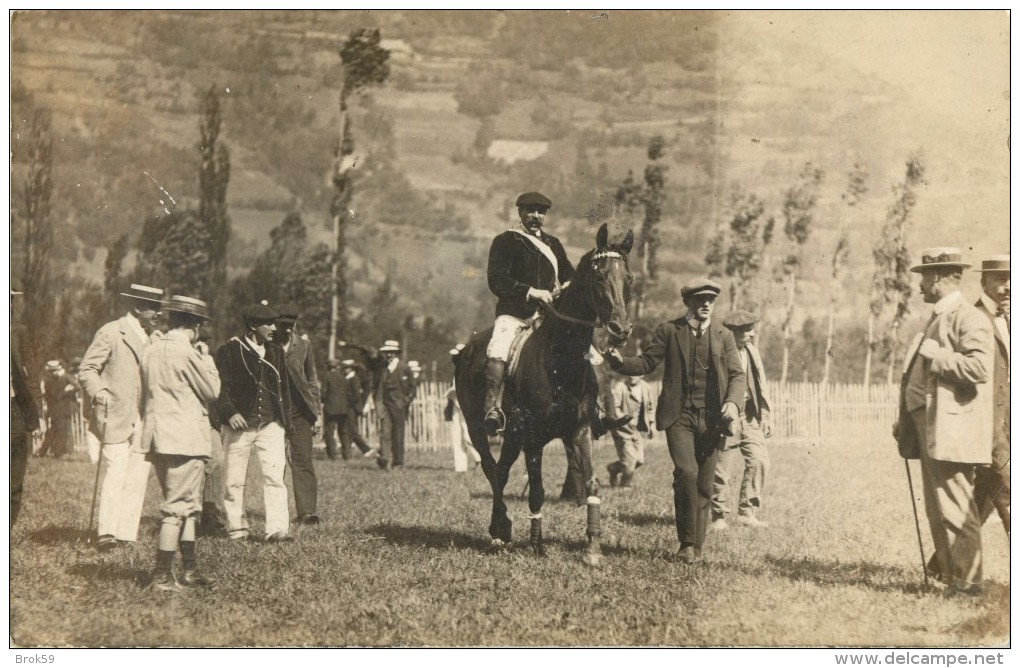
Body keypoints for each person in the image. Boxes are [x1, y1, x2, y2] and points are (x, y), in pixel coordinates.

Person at [606, 277, 744, 564]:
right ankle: (686, 542)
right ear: (688, 303)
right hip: (678, 416)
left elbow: (736, 375)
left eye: (710, 300)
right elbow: (646, 363)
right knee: (687, 473)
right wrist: (620, 362)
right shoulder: (670, 331)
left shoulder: (723, 335)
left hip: (713, 418)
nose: (705, 304)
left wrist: (732, 401)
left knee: (706, 481)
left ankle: (698, 546)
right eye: (699, 300)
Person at [896, 247, 992, 596]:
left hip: (951, 429)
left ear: (938, 277)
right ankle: (954, 579)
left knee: (956, 506)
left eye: (924, 276)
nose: (920, 284)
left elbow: (979, 368)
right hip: (931, 426)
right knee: (939, 507)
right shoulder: (939, 316)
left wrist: (938, 357)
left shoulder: (969, 317)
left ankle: (969, 584)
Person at [139, 295, 220, 590]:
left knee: (187, 505)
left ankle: (189, 570)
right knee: (177, 507)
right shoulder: (188, 353)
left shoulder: (150, 348)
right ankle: (161, 575)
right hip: (186, 438)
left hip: (158, 436)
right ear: (196, 326)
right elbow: (212, 391)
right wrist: (207, 358)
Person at [78, 283, 165, 551]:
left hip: (144, 418)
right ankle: (107, 532)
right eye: (153, 308)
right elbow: (87, 369)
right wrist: (99, 391)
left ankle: (126, 532)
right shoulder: (112, 332)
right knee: (116, 471)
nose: (158, 313)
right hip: (114, 415)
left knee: (138, 476)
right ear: (138, 307)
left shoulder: (155, 338)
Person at [483, 191, 576, 435]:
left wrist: (569, 286)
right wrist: (531, 292)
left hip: (547, 315)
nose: (536, 216)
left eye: (541, 212)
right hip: (515, 314)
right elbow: (497, 280)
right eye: (530, 211)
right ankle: (493, 408)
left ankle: (590, 405)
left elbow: (569, 275)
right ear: (520, 212)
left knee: (586, 350)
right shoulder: (505, 241)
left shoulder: (554, 244)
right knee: (499, 348)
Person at [212, 303, 294, 542]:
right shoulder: (228, 351)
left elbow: (284, 389)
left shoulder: (276, 351)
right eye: (269, 324)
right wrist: (229, 413)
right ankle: (237, 529)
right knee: (234, 481)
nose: (274, 328)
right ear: (252, 326)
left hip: (270, 425)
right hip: (239, 426)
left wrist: (284, 421)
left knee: (275, 478)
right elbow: (219, 388)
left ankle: (277, 529)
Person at [711, 310, 773, 530]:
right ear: (732, 332)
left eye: (752, 329)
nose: (752, 334)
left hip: (749, 415)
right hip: (726, 415)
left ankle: (747, 512)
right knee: (721, 467)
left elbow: (761, 384)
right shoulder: (718, 353)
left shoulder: (751, 352)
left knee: (759, 459)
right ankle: (718, 516)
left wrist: (765, 414)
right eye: (747, 330)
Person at [971, 255, 1009, 537]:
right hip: (989, 424)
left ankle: (943, 564)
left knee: (985, 494)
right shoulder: (974, 319)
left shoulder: (1010, 317)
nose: (1008, 286)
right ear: (983, 281)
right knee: (1008, 489)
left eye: (1012, 279)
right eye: (1000, 278)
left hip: (1009, 423)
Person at [275, 304, 322, 526]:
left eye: (290, 326)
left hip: (300, 411)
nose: (285, 330)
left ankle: (307, 511)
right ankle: (277, 512)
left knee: (302, 459)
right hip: (274, 411)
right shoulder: (267, 344)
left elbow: (312, 381)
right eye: (282, 325)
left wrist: (317, 414)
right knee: (275, 462)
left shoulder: (303, 346)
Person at [11, 290, 42, 527]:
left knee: (14, 476)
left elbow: (31, 377)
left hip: (14, 411)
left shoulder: (19, 333)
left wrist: (36, 415)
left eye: (10, 299)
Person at [604, 373, 654, 489]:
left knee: (640, 460)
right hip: (622, 430)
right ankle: (625, 486)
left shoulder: (645, 387)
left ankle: (613, 468)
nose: (632, 375)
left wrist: (650, 425)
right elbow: (614, 408)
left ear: (642, 375)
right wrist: (626, 420)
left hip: (637, 431)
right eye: (630, 372)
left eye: (636, 373)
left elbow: (650, 408)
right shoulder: (620, 387)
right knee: (630, 462)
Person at [322, 359, 373, 460]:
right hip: (344, 409)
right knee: (344, 432)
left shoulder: (327, 377)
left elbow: (323, 393)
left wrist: (324, 400)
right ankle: (347, 455)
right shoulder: (344, 378)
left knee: (330, 432)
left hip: (333, 409)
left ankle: (333, 455)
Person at [445, 344, 481, 472]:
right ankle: (460, 467)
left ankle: (480, 458)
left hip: (469, 405)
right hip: (456, 403)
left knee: (467, 434)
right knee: (457, 435)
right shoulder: (456, 371)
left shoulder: (472, 369)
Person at [38, 360, 79, 459]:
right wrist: (66, 390)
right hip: (57, 410)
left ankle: (44, 452)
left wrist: (69, 389)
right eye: (55, 371)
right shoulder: (50, 381)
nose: (57, 372)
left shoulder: (56, 379)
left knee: (54, 432)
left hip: (60, 410)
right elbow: (56, 396)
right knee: (59, 432)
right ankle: (57, 453)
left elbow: (77, 387)